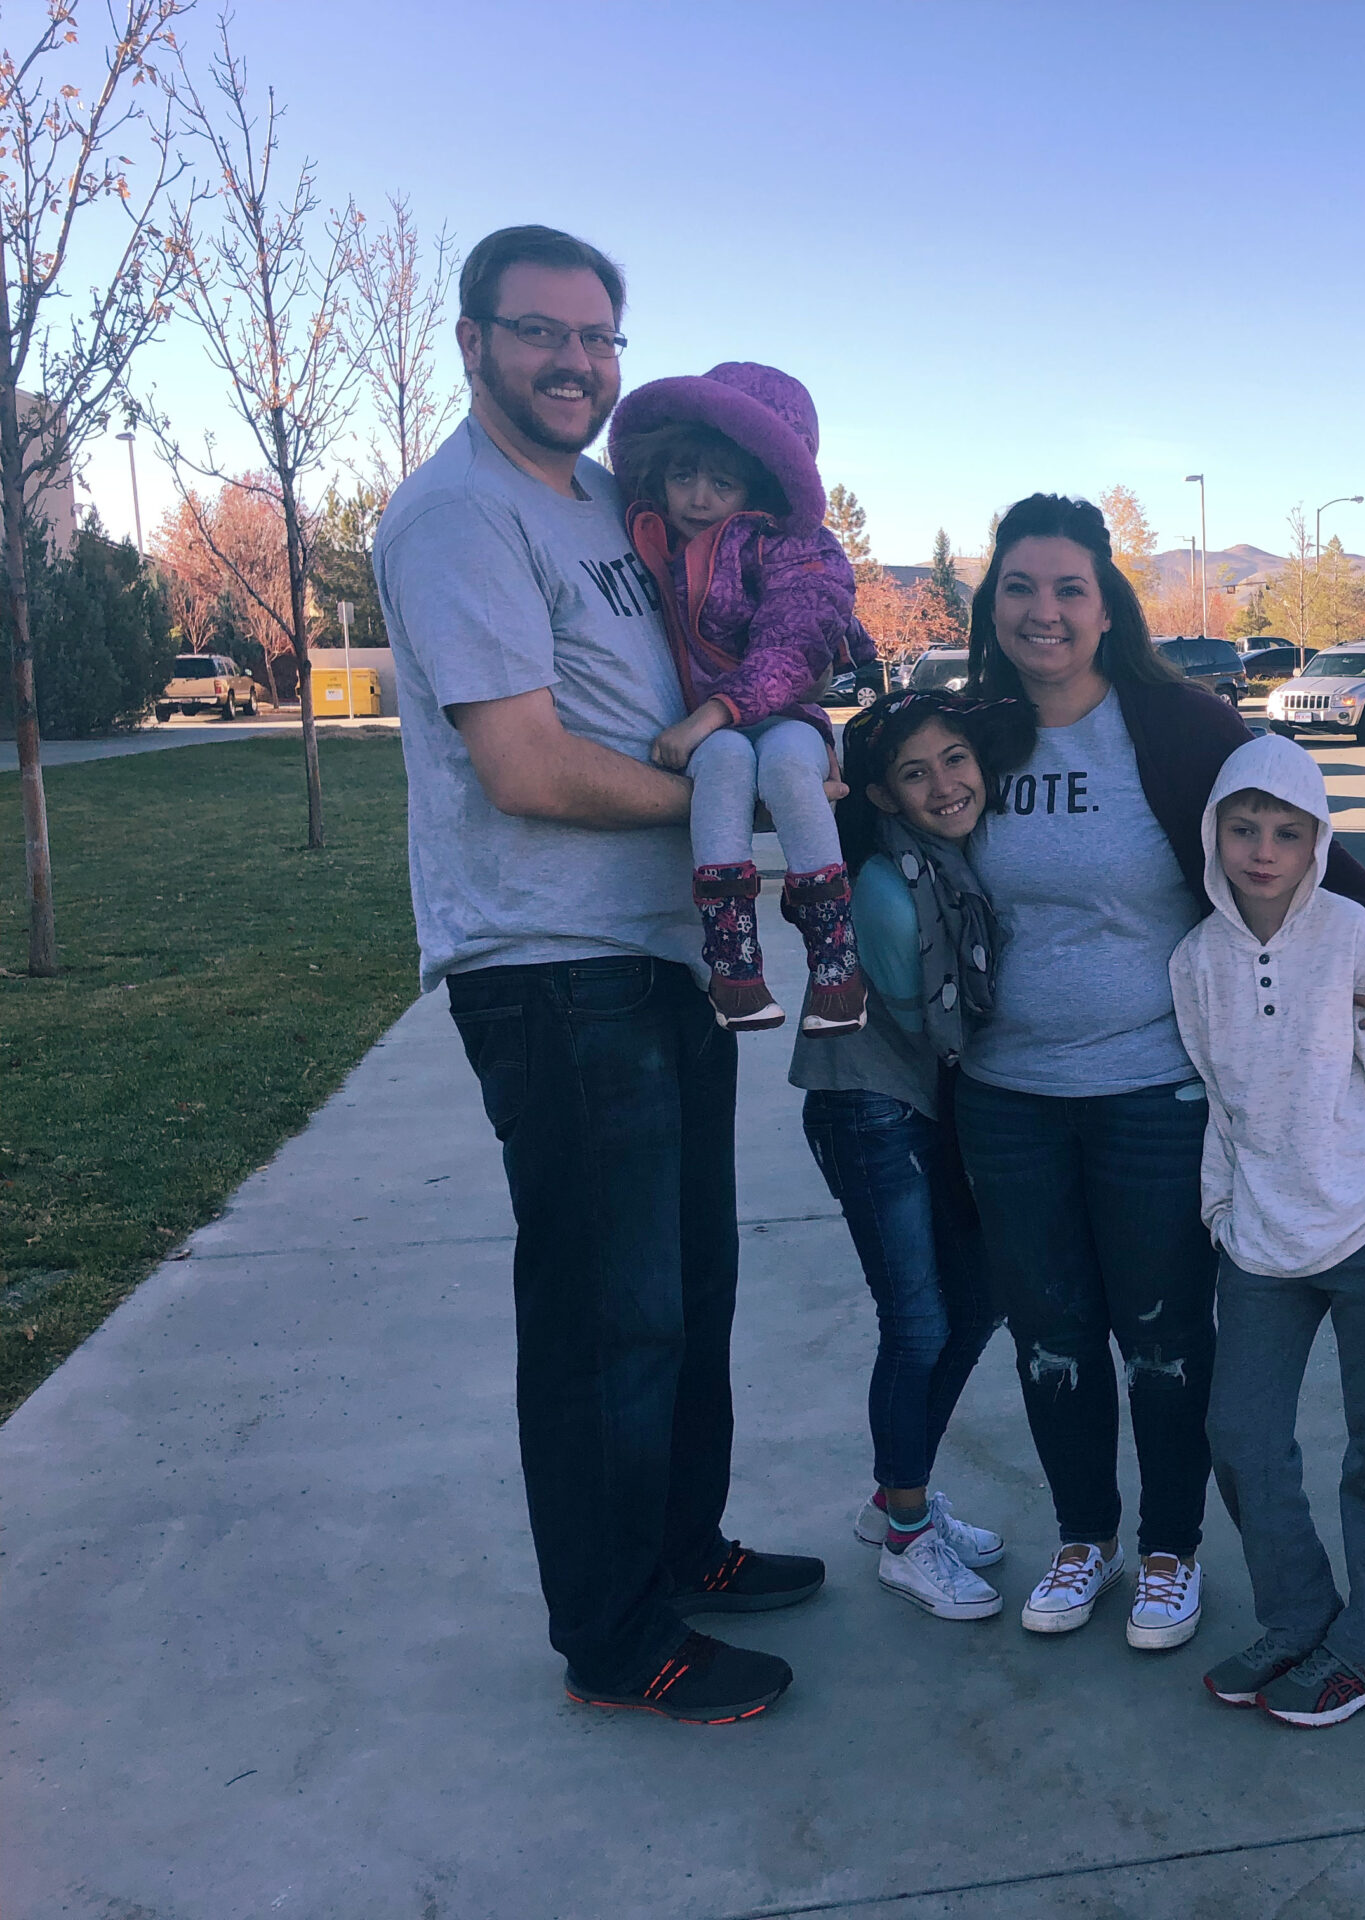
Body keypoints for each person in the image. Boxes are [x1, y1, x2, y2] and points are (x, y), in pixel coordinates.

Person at [373, 225, 819, 1726]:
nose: (574, 362)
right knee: (603, 1313)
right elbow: (524, 766)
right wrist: (744, 810)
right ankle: (616, 1637)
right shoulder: (455, 516)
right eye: (541, 332)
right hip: (552, 970)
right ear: (473, 339)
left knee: (690, 1287)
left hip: (653, 953)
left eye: (597, 338)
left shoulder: (602, 501)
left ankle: (679, 1549)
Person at [956, 492, 1365, 1654]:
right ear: (992, 605)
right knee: (1049, 1333)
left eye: (1070, 587)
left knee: (1162, 1338)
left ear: (1108, 605)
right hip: (1006, 1096)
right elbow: (888, 823)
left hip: (1152, 1097)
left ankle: (1170, 1552)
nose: (1044, 610)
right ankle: (1083, 1537)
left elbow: (1311, 841)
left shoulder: (1176, 725)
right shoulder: (971, 730)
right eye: (1020, 586)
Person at [1174, 734, 1365, 1726]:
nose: (1262, 849)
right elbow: (1218, 1098)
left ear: (1315, 842)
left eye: (1287, 832)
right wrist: (1219, 1207)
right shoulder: (1195, 960)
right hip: (1260, 1237)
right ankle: (1299, 1616)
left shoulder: (1351, 936)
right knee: (1241, 1437)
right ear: (1215, 835)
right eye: (1244, 828)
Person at [794, 691, 1033, 1621]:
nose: (945, 784)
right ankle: (904, 1538)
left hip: (915, 1107)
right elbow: (936, 1026)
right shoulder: (891, 890)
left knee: (976, 1301)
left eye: (957, 759)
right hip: (868, 1107)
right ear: (884, 798)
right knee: (920, 1322)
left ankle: (898, 1496)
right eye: (915, 772)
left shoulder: (952, 861)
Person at [608, 363, 870, 1034]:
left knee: (785, 766)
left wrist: (707, 715)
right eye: (683, 477)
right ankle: (734, 962)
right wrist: (708, 728)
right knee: (722, 767)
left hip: (780, 713)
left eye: (720, 482)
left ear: (753, 486)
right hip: (714, 733)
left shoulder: (794, 548)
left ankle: (835, 959)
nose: (698, 497)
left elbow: (794, 643)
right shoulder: (650, 542)